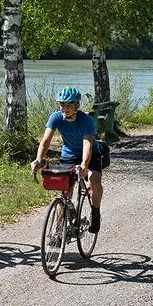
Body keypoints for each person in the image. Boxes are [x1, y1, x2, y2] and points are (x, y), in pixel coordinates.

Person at [30, 85, 104, 233]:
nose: (65, 108)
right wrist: (38, 159)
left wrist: (84, 165)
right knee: (64, 192)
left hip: (90, 156)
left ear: (77, 105)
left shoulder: (86, 120)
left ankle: (95, 212)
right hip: (68, 156)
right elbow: (46, 140)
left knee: (94, 180)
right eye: (62, 104)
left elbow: (87, 143)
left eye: (69, 104)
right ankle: (58, 229)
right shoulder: (56, 117)